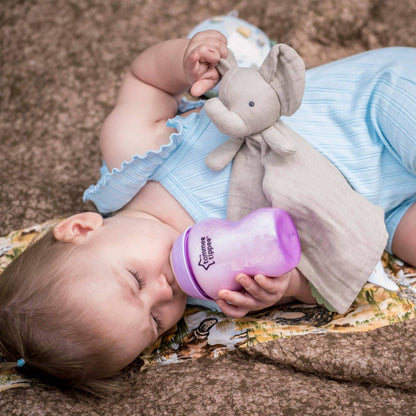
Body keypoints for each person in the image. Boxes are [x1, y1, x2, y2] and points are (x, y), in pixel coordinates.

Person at [1, 24, 416, 393]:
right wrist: (286, 287)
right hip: (387, 208)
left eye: (135, 279)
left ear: (82, 228)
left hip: (376, 105)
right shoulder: (218, 289)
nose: (164, 292)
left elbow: (145, 80)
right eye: (155, 322)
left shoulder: (133, 160)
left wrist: (186, 61)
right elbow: (325, 270)